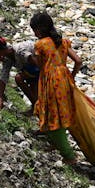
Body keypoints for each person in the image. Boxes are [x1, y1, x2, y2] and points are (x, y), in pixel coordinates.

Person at [30, 11, 83, 165]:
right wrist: (71, 76)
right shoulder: (63, 41)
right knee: (62, 112)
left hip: (51, 81)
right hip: (65, 79)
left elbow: (40, 65)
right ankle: (57, 144)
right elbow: (78, 61)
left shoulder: (41, 44)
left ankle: (69, 156)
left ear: (39, 29)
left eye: (34, 30)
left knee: (52, 114)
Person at [0, 37, 39, 114]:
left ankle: (38, 106)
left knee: (19, 78)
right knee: (26, 81)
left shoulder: (20, 50)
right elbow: (3, 77)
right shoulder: (7, 57)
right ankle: (36, 106)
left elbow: (37, 63)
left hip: (43, 65)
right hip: (33, 70)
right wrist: (0, 98)